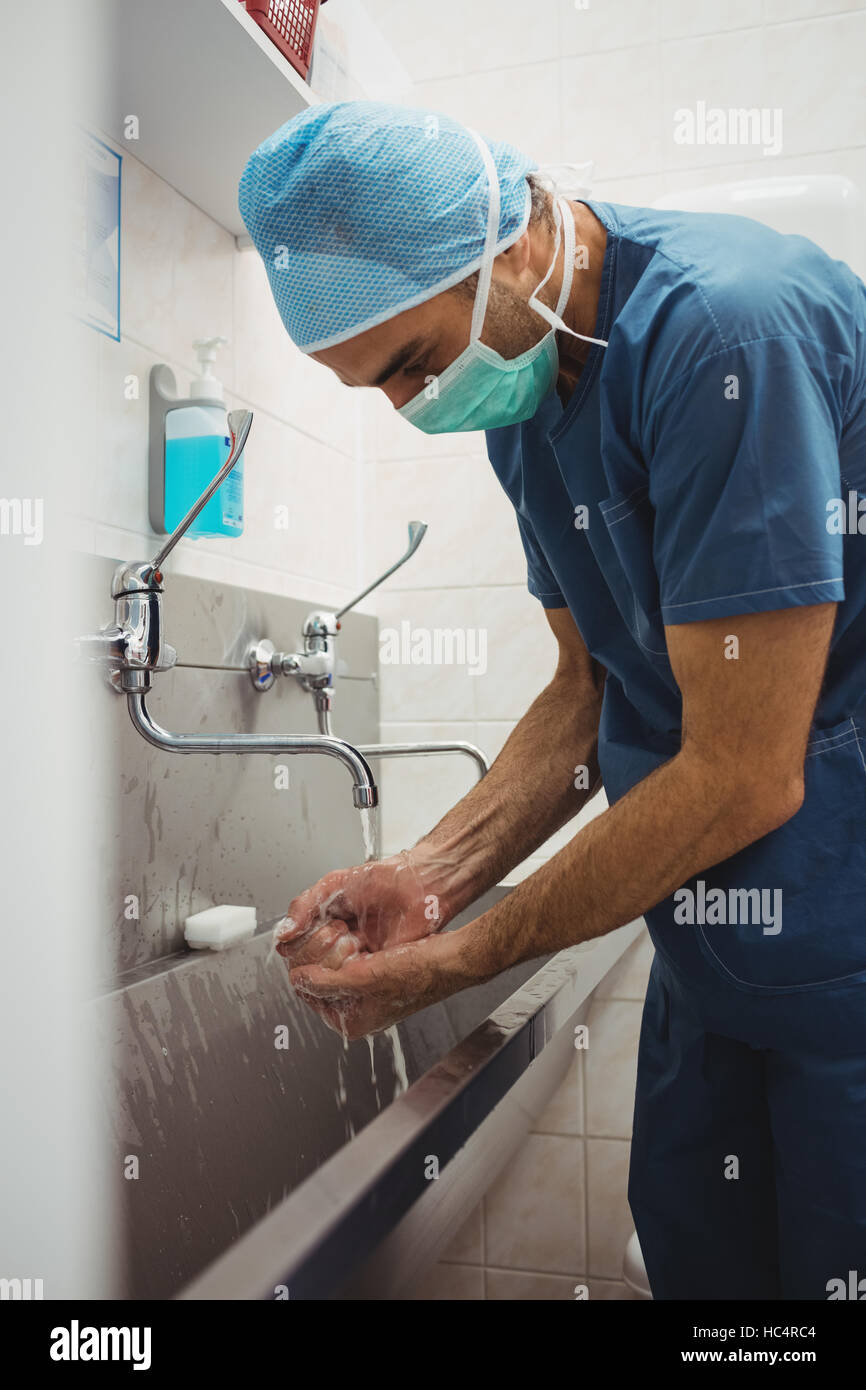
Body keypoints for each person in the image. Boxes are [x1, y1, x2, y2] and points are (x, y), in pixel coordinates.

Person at [239, 101, 866, 1299]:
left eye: (413, 363)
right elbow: (585, 689)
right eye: (373, 386)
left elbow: (743, 768)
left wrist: (451, 961)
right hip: (714, 945)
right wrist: (428, 875)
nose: (413, 407)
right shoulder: (521, 399)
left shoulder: (724, 338)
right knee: (704, 1267)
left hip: (839, 933)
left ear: (512, 246)